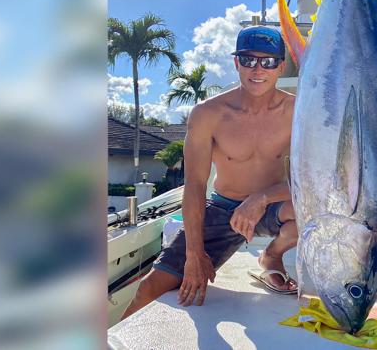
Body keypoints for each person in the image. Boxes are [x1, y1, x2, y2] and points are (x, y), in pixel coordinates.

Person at [121, 26, 298, 320]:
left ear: (280, 66)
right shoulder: (208, 114)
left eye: (267, 61)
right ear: (236, 63)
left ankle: (272, 255)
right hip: (222, 209)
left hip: (272, 206)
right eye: (248, 59)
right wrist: (194, 254)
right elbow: (195, 185)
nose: (258, 69)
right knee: (151, 289)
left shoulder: (297, 111)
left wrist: (261, 198)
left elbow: (314, 184)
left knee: (313, 213)